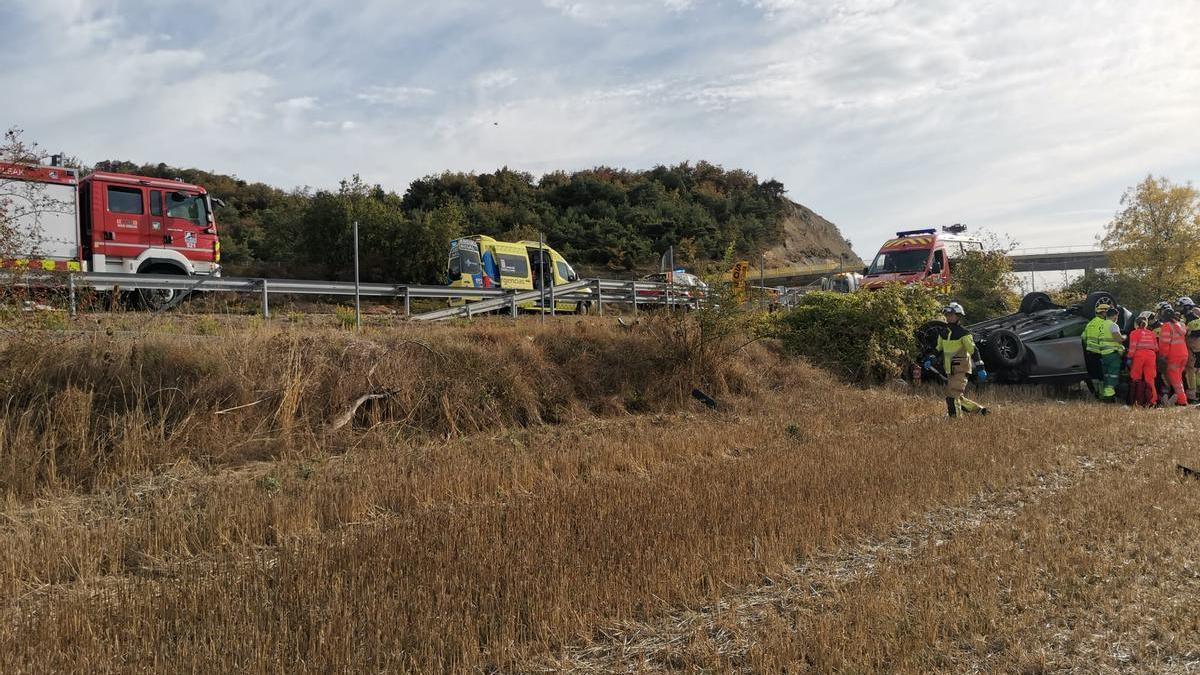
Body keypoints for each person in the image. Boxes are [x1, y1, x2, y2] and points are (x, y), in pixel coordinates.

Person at [934, 302, 990, 418]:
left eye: (951, 315)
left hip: (961, 369)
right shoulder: (943, 333)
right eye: (947, 315)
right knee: (956, 395)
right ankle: (980, 411)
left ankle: (955, 420)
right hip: (949, 369)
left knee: (952, 395)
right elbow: (938, 349)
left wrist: (980, 368)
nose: (948, 317)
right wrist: (930, 358)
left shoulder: (964, 333)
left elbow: (974, 351)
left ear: (958, 316)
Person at [1158, 307, 1190, 406]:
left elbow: (1165, 343)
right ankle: (1180, 398)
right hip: (1184, 354)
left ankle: (1182, 401)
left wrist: (1163, 356)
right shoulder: (1181, 325)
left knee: (1175, 380)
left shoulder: (1166, 326)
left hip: (1173, 356)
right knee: (1179, 377)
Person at [1127, 312, 1159, 407]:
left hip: (1139, 356)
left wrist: (1129, 357)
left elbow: (1132, 347)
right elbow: (1156, 348)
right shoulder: (1151, 333)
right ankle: (1152, 400)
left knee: (1136, 377)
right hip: (1151, 355)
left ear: (1136, 324)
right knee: (1150, 379)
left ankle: (1137, 400)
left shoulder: (1134, 333)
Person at [1094, 306, 1126, 401]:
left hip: (1104, 354)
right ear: (1115, 316)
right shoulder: (1113, 325)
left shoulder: (1102, 325)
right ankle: (1109, 397)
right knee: (1113, 376)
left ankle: (1104, 395)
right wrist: (1124, 337)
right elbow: (1117, 338)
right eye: (1116, 317)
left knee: (1106, 376)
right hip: (1113, 354)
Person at [1082, 303, 1110, 398]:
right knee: (1102, 376)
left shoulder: (1090, 323)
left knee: (1094, 376)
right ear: (1104, 313)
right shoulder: (1104, 324)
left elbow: (1083, 337)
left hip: (1089, 353)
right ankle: (1103, 395)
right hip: (1100, 354)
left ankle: (1097, 394)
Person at [1179, 297, 1200, 398]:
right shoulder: (1194, 317)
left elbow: (1188, 334)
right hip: (1195, 349)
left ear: (1186, 307)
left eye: (1181, 306)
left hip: (1193, 349)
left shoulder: (1190, 319)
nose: (1180, 309)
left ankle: (1192, 394)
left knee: (1190, 370)